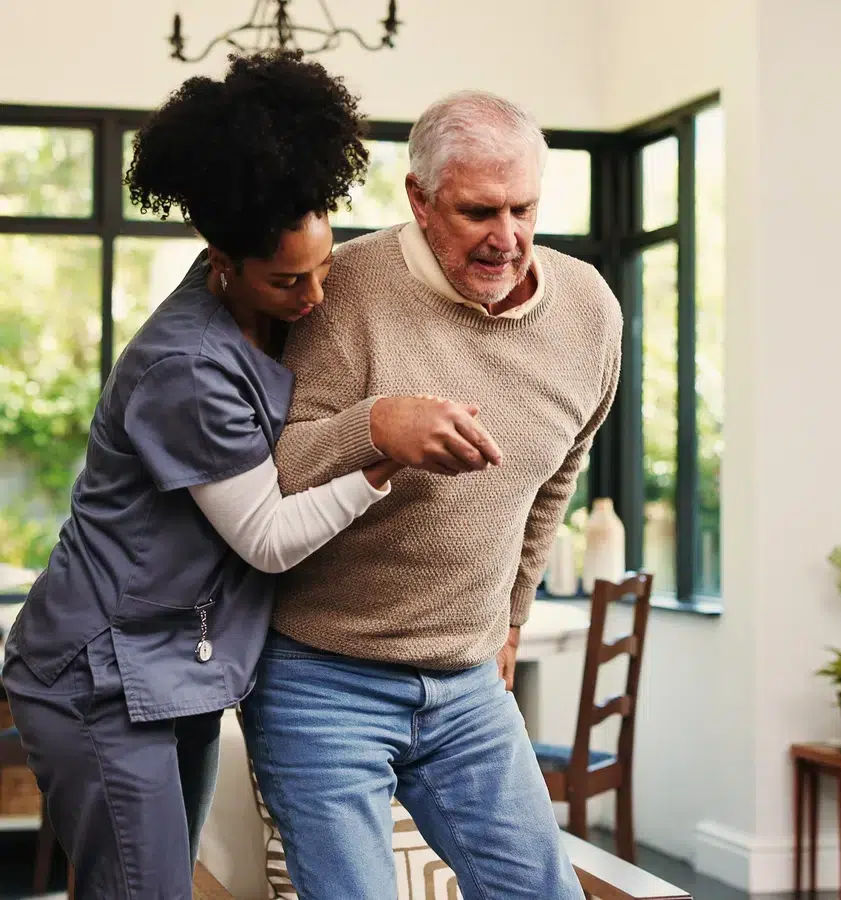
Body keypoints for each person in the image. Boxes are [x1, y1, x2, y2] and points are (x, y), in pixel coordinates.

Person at [1, 55, 498, 900]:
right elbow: (267, 539)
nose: (314, 296)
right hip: (99, 678)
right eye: (287, 281)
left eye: (324, 268)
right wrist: (380, 448)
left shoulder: (274, 315)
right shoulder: (187, 366)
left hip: (177, 670)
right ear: (222, 261)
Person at [240, 90, 624, 899]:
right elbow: (268, 472)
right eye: (479, 211)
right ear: (418, 200)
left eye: (524, 208)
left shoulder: (590, 310)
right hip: (321, 678)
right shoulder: (342, 291)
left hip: (466, 684)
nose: (508, 237)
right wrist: (377, 426)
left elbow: (559, 475)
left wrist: (512, 616)